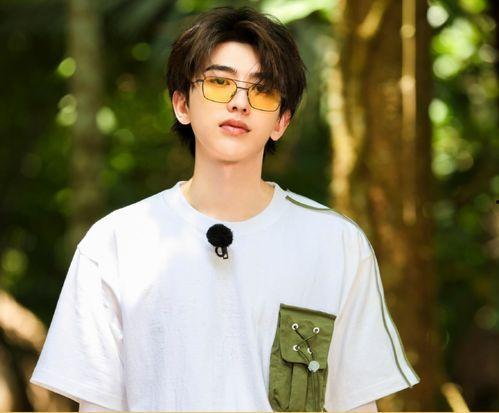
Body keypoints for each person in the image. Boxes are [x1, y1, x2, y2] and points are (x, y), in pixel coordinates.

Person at [30, 6, 420, 412]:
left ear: (282, 121)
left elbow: (356, 405)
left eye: (262, 90)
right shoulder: (117, 243)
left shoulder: (336, 244)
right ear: (181, 104)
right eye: (219, 82)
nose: (239, 102)